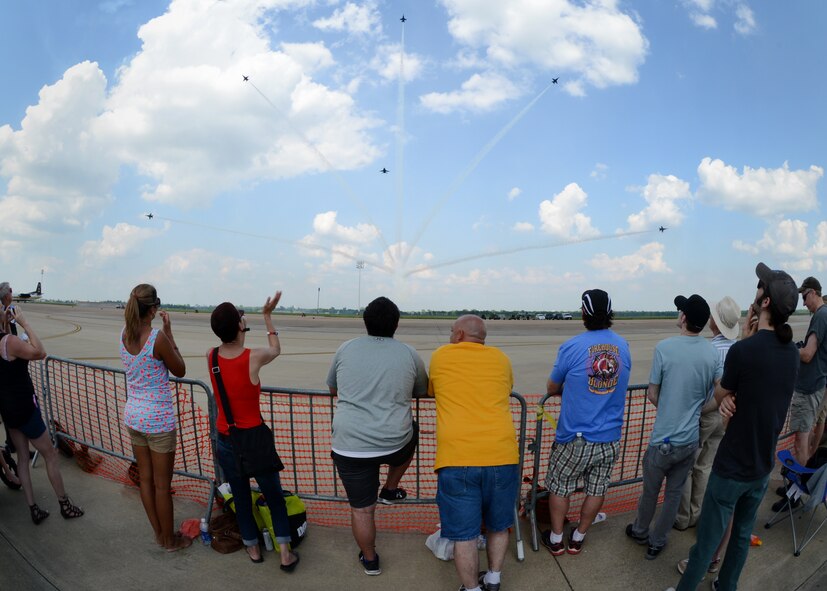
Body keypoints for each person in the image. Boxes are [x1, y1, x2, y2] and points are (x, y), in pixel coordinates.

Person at [672, 263, 799, 591]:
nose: (755, 292)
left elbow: (719, 394)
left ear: (765, 302)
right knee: (740, 536)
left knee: (706, 541)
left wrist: (744, 342)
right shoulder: (791, 354)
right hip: (760, 467)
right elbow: (757, 393)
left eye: (760, 288)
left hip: (731, 468)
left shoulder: (745, 350)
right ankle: (725, 586)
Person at [327, 296, 427, 576]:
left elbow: (333, 388)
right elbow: (421, 390)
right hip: (395, 442)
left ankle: (370, 560)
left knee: (362, 510)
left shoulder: (345, 348)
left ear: (365, 321)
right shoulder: (408, 352)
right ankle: (390, 488)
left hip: (350, 445)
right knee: (413, 431)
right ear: (396, 324)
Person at [208, 292, 299, 571]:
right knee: (273, 496)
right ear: (239, 326)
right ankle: (285, 553)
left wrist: (239, 326)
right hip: (255, 439)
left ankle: (252, 547)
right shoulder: (254, 357)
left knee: (241, 495)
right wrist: (267, 316)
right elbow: (275, 348)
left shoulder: (211, 356)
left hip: (226, 439)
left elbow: (230, 349)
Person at [428, 315, 520, 591]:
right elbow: (507, 389)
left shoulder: (441, 356)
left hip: (458, 457)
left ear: (458, 334)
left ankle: (471, 588)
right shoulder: (501, 359)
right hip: (502, 454)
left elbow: (432, 390)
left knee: (465, 534)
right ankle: (493, 579)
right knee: (498, 525)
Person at [626, 294, 720, 560]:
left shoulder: (664, 348)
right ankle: (658, 541)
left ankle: (641, 530)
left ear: (684, 318)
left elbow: (652, 394)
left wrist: (671, 408)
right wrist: (700, 409)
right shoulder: (712, 353)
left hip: (663, 439)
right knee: (674, 493)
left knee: (650, 490)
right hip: (690, 439)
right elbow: (721, 392)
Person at [540, 290, 631, 556]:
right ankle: (578, 536)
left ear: (583, 313)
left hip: (575, 436)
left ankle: (556, 538)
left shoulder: (572, 346)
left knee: (559, 486)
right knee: (597, 488)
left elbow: (552, 385)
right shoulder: (623, 346)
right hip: (609, 436)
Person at [120, 284, 190, 551]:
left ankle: (160, 535)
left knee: (146, 482)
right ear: (153, 309)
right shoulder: (156, 338)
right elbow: (180, 369)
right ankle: (170, 540)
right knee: (163, 486)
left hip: (135, 417)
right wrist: (170, 334)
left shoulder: (124, 335)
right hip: (158, 421)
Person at [674, 296, 740, 576]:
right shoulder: (737, 349)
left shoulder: (709, 349)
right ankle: (698, 513)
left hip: (705, 413)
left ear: (716, 322)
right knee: (706, 465)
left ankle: (683, 516)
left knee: (688, 465)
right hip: (726, 416)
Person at [0, 305, 84, 524]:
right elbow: (40, 351)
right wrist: (24, 322)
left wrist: (8, 325)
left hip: (8, 409)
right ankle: (64, 504)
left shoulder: (6, 339)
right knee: (50, 454)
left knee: (23, 457)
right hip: (25, 408)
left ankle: (33, 508)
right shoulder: (9, 342)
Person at [787, 276, 827, 467]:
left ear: (812, 292)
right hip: (817, 384)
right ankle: (804, 483)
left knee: (799, 442)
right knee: (806, 435)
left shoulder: (820, 316)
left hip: (809, 387)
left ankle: (799, 492)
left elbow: (808, 354)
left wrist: (789, 350)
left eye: (804, 297)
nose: (803, 302)